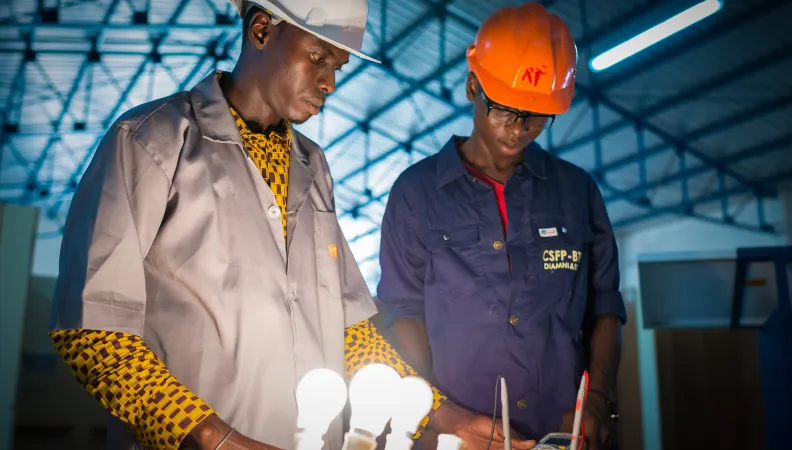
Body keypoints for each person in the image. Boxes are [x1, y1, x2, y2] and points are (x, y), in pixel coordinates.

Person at [48, 1, 536, 449]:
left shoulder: (312, 165)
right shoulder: (152, 141)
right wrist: (216, 440)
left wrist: (442, 415)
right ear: (262, 29)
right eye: (318, 58)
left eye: (338, 68)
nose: (330, 82)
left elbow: (351, 334)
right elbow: (94, 331)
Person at [377, 3, 626, 450]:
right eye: (505, 110)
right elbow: (403, 314)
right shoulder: (416, 195)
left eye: (536, 116)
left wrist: (600, 399)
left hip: (564, 434)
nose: (519, 130)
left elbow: (604, 308)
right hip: (459, 437)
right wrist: (436, 416)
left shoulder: (576, 193)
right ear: (474, 85)